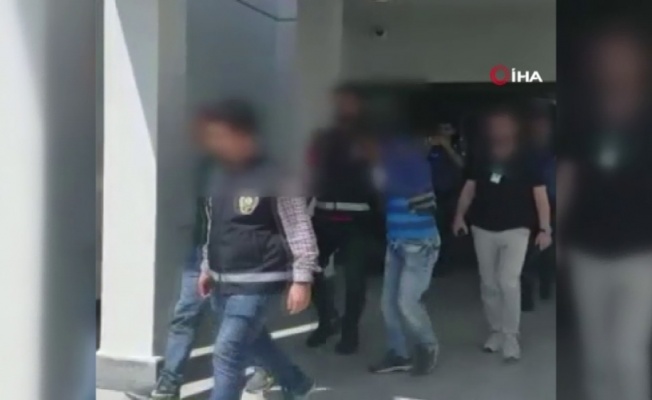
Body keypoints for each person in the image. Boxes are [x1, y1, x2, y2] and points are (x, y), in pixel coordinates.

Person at [125, 149, 275, 400]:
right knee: (185, 316)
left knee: (237, 320)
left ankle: (267, 368)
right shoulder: (207, 165)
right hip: (202, 253)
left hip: (236, 258)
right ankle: (168, 385)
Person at [195, 99, 319, 400]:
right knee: (254, 342)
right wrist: (207, 266)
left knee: (227, 353)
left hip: (259, 280)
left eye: (221, 135)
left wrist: (302, 279)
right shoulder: (218, 175)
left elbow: (298, 225)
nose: (215, 143)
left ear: (244, 135)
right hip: (223, 280)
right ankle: (297, 382)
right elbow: (214, 226)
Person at [558, 23, 652, 400]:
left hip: (642, 254)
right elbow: (567, 175)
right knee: (596, 356)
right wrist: (557, 232)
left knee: (627, 355)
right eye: (607, 58)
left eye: (623, 57)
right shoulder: (583, 116)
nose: (614, 66)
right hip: (588, 251)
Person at [452, 106, 552, 361]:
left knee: (508, 281)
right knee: (488, 283)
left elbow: (540, 196)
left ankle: (510, 335)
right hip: (483, 227)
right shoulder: (480, 155)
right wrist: (459, 216)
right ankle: (495, 330)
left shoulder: (528, 157)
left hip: (517, 228)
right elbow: (469, 189)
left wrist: (545, 228)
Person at [305, 85, 376, 355]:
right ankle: (327, 320)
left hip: (357, 218)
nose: (343, 107)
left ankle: (350, 330)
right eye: (339, 102)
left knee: (355, 280)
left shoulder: (370, 138)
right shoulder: (323, 137)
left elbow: (381, 177)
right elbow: (311, 174)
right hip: (323, 214)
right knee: (310, 269)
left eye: (348, 102)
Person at [366, 133, 441, 376]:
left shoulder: (414, 163)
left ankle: (428, 345)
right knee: (388, 303)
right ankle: (398, 353)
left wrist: (381, 174)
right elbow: (383, 200)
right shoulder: (384, 166)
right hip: (396, 242)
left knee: (407, 302)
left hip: (420, 244)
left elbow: (415, 190)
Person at [521, 106, 556, 311]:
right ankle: (528, 296)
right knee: (528, 250)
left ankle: (545, 286)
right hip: (530, 201)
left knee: (547, 248)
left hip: (553, 199)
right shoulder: (526, 149)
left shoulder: (553, 148)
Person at [426, 121, 465, 275]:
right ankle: (432, 262)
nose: (443, 132)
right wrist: (430, 144)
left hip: (451, 192)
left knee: (448, 229)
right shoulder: (431, 146)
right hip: (432, 193)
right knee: (434, 227)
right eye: (442, 129)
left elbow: (462, 165)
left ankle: (445, 263)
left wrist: (447, 147)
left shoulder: (457, 146)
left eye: (447, 129)